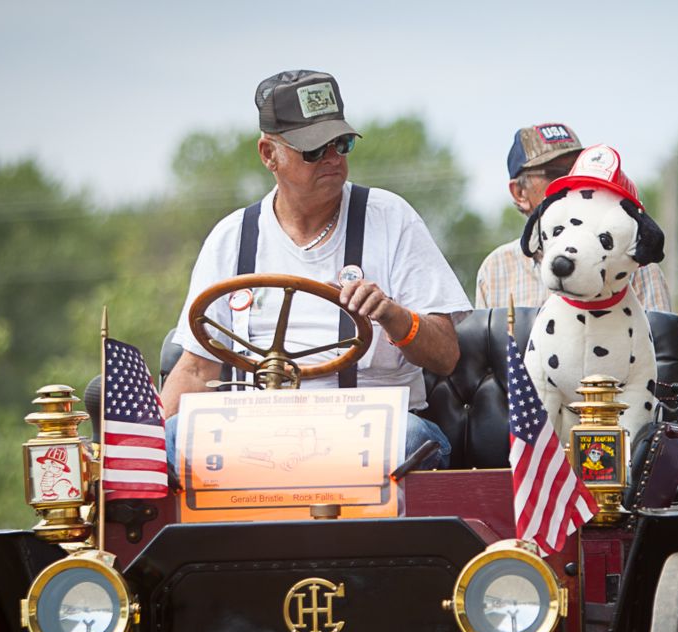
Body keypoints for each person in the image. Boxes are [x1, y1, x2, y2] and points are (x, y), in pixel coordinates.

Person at [163, 70, 470, 469]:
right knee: (170, 438)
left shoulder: (391, 218)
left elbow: (446, 356)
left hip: (369, 431)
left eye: (341, 144)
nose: (333, 158)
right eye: (313, 150)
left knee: (411, 439)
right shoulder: (232, 237)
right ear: (268, 154)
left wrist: (393, 316)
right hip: (257, 433)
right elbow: (195, 368)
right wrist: (147, 445)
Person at [473, 124, 672, 312]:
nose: (570, 182)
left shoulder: (633, 262)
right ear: (519, 192)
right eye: (555, 174)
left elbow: (659, 336)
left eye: (578, 170)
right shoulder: (496, 269)